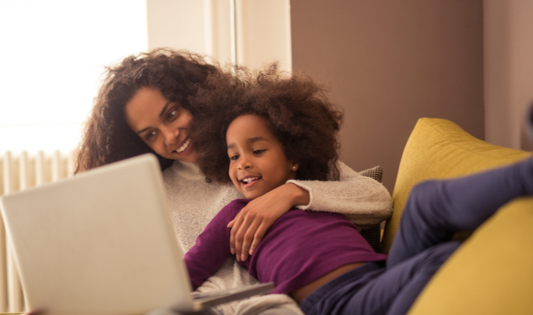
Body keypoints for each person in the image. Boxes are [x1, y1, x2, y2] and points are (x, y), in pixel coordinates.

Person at [184, 68, 533, 315]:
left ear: (294, 157)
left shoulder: (322, 192)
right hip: (335, 302)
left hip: (380, 275)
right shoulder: (233, 217)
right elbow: (187, 273)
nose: (242, 163)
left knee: (426, 201)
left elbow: (377, 199)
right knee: (441, 260)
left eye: (257, 150)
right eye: (233, 156)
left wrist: (297, 193)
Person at [74, 48, 392, 315]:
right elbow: (153, 279)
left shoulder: (259, 143)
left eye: (171, 114)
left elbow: (376, 199)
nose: (171, 137)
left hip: (292, 302)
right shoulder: (156, 192)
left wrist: (290, 194)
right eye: (151, 134)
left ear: (195, 97)